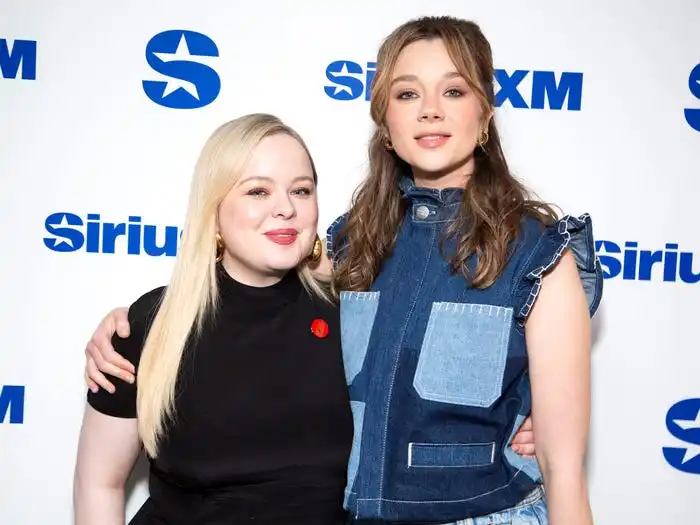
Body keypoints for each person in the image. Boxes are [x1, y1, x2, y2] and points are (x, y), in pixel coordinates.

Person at [82, 15, 603, 525]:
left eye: (454, 91)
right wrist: (131, 325)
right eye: (406, 94)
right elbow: (250, 287)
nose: (429, 112)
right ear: (384, 120)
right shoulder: (354, 243)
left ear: (485, 113)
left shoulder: (539, 254)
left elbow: (563, 472)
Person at [73, 113, 354, 525]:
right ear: (214, 208)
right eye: (258, 191)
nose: (285, 208)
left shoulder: (356, 315)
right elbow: (99, 483)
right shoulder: (150, 325)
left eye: (301, 190)